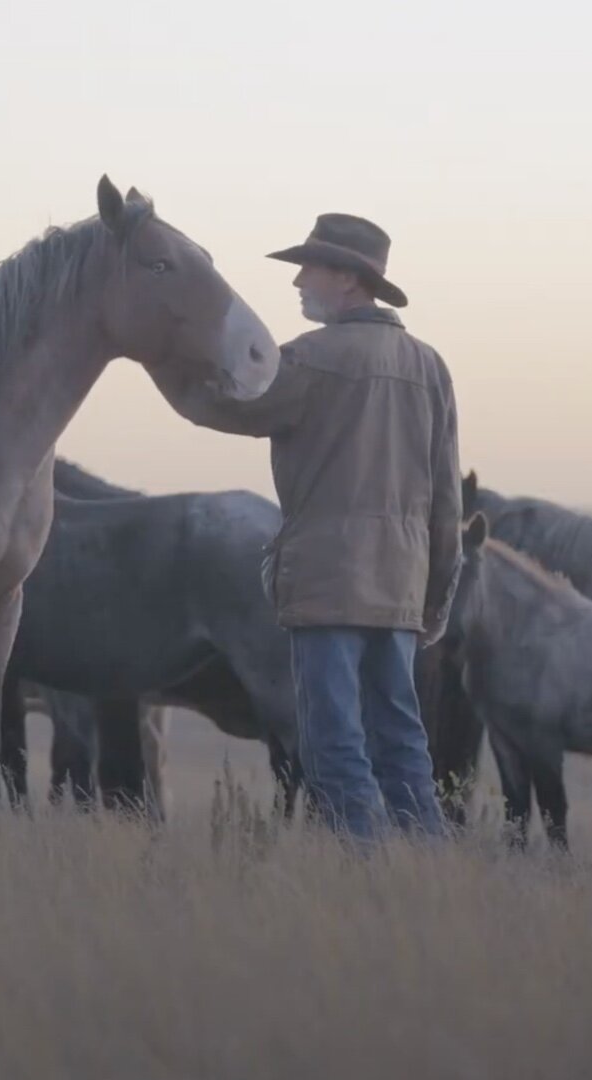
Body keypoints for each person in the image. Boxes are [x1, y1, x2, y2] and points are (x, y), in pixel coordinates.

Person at [146, 213, 461, 840]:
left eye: (309, 266)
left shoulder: (313, 360)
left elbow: (220, 406)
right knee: (402, 741)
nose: (296, 280)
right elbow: (446, 500)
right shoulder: (430, 367)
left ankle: (361, 874)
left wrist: (160, 358)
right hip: (399, 588)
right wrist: (435, 600)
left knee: (333, 743)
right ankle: (430, 875)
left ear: (347, 277)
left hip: (325, 582)